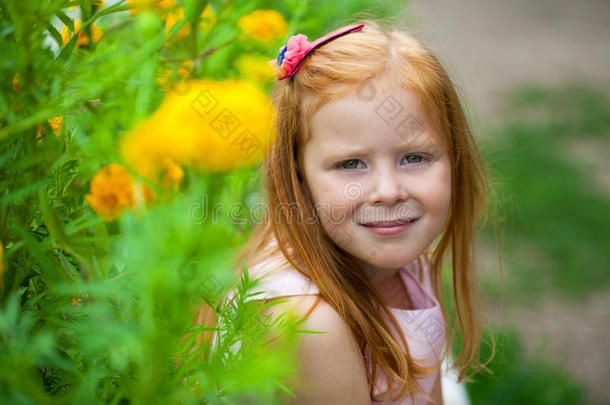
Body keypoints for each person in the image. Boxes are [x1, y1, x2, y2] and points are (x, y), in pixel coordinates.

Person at [203, 19, 498, 405]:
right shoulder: (309, 327)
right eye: (351, 164)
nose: (388, 193)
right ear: (298, 177)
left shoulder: (400, 256)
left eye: (414, 157)